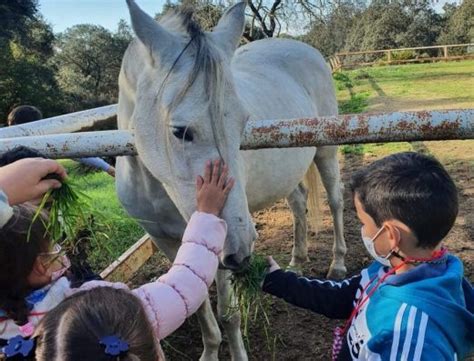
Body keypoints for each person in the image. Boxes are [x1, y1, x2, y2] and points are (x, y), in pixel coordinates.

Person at [0, 160, 234, 361]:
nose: (60, 248)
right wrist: (207, 214)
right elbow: (185, 283)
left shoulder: (10, 339)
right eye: (54, 245)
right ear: (42, 264)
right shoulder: (102, 311)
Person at [262, 152, 474, 360]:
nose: (363, 232)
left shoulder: (411, 340)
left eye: (364, 223)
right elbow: (341, 297)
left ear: (391, 236)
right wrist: (278, 280)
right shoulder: (389, 268)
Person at [6, 105, 116, 177]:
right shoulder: (6, 142)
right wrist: (107, 168)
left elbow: (75, 151)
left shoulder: (43, 140)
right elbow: (76, 151)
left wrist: (107, 168)